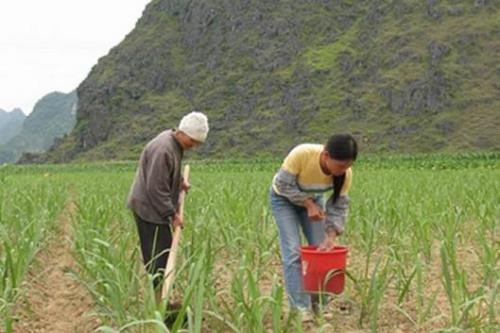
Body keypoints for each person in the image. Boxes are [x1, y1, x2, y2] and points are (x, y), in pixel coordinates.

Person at [269, 134, 358, 320]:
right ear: (325, 155)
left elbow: (339, 206)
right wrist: (308, 205)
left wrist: (331, 236)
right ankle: (299, 308)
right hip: (283, 200)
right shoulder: (302, 154)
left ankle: (320, 305)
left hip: (314, 198)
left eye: (348, 166)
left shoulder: (345, 174)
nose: (344, 171)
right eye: (340, 166)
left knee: (321, 250)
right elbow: (282, 185)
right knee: (293, 252)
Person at [127, 111, 209, 303]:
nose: (193, 146)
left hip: (156, 207)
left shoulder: (174, 144)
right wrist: (172, 215)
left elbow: (167, 173)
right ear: (182, 132)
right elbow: (156, 188)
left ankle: (161, 300)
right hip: (148, 209)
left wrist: (179, 181)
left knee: (162, 256)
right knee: (158, 258)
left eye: (197, 143)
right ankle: (158, 303)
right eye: (192, 141)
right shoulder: (163, 148)